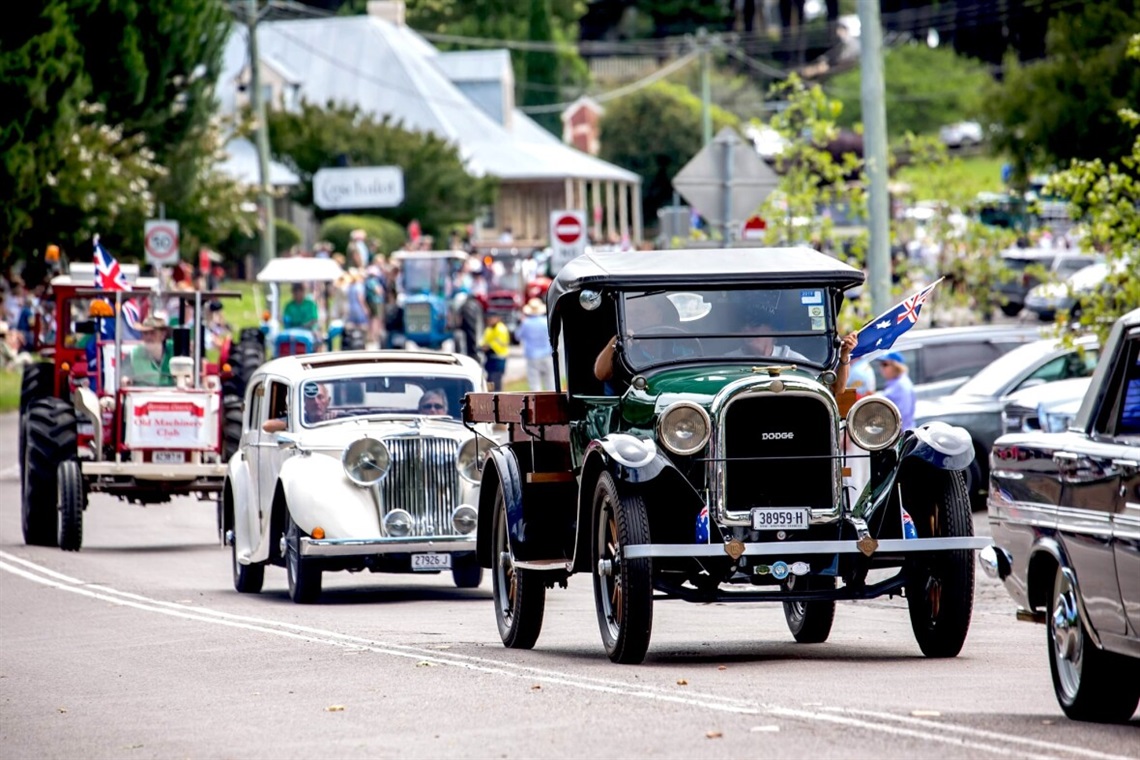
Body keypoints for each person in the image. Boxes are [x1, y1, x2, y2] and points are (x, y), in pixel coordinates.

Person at [517, 298, 555, 391]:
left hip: (532, 356)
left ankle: (537, 404)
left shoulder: (526, 323)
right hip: (546, 354)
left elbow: (517, 336)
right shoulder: (545, 322)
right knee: (550, 382)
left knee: (534, 383)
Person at [125, 315, 173, 387]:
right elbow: (124, 376)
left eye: (152, 333)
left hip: (172, 396)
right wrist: (125, 380)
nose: (148, 337)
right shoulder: (134, 354)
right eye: (145, 333)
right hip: (142, 396)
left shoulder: (175, 350)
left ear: (163, 334)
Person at [876, 351, 916, 429]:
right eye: (881, 365)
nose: (881, 368)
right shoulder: (894, 382)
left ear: (896, 366)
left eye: (885, 364)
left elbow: (903, 415)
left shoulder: (901, 385)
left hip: (901, 435)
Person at [480, 313, 511, 391]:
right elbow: (484, 341)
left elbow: (497, 343)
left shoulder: (501, 329)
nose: (490, 320)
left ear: (497, 318)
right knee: (489, 381)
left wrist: (488, 346)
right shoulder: (489, 329)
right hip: (490, 358)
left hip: (498, 358)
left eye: (492, 318)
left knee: (496, 381)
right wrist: (482, 346)